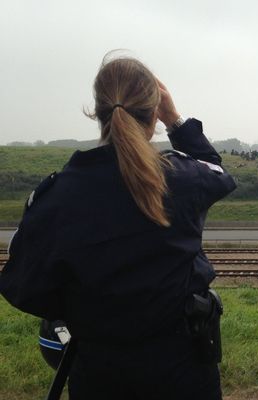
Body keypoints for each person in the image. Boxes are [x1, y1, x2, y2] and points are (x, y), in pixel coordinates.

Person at [0, 55, 236, 399]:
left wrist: (76, 309)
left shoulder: (59, 193)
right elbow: (217, 172)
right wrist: (175, 119)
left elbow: (23, 283)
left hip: (100, 373)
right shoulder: (181, 178)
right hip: (183, 372)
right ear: (153, 114)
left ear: (97, 112)